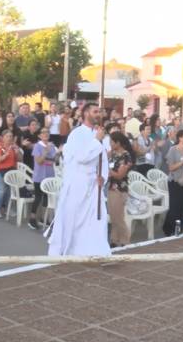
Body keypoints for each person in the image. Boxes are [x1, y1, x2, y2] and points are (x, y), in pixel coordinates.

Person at [48, 103, 110, 256]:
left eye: (99, 112)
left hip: (95, 184)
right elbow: (82, 157)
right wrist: (96, 141)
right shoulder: (77, 134)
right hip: (79, 183)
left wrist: (103, 176)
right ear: (85, 113)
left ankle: (97, 251)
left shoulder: (100, 135)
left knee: (97, 220)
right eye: (95, 111)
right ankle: (72, 250)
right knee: (74, 219)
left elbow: (103, 160)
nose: (98, 115)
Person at [163, 130, 183, 235]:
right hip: (174, 182)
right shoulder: (173, 150)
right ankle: (168, 230)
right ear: (180, 138)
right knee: (174, 207)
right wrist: (181, 163)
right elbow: (170, 167)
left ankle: (178, 230)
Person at [107, 132, 134, 247]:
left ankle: (125, 240)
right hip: (111, 188)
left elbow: (120, 175)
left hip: (119, 189)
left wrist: (108, 172)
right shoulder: (112, 154)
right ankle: (114, 239)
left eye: (112, 142)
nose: (110, 144)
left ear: (118, 143)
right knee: (113, 216)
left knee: (118, 217)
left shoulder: (126, 156)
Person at [28, 128, 57, 230]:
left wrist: (58, 153)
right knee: (38, 198)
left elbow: (54, 160)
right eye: (43, 132)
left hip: (50, 176)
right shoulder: (37, 146)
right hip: (39, 176)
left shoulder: (52, 146)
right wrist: (45, 153)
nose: (46, 134)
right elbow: (39, 161)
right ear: (39, 135)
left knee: (46, 198)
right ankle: (32, 219)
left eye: (47, 132)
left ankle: (43, 218)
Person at [0, 130, 20, 218]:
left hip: (10, 171)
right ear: (3, 138)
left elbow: (20, 159)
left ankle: (7, 208)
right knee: (1, 190)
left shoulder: (13, 147)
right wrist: (5, 155)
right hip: (0, 170)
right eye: (8, 136)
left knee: (8, 191)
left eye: (11, 136)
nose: (10, 138)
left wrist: (17, 152)